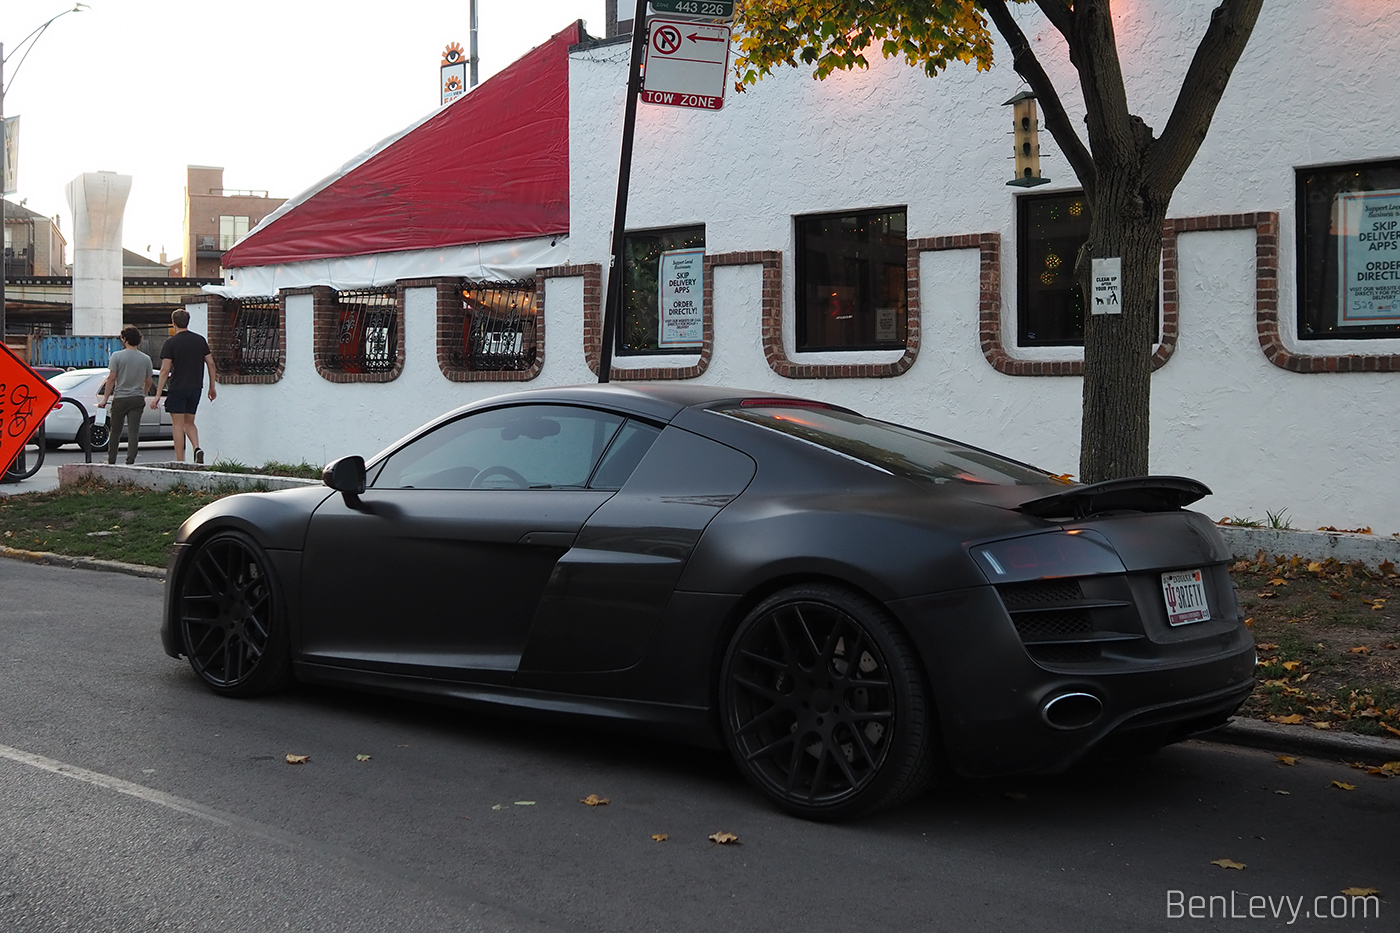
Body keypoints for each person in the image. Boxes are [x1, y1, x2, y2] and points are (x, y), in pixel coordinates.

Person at [151, 308, 216, 463]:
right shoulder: (200, 340)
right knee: (190, 422)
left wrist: (158, 394)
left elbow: (165, 370)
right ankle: (196, 448)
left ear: (173, 323)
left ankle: (180, 460)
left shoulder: (170, 343)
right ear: (188, 321)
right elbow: (211, 363)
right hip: (195, 388)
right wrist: (212, 386)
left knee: (178, 425)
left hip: (178, 388)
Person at [97, 325, 152, 465]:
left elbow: (111, 379)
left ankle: (111, 460)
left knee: (115, 430)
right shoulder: (146, 359)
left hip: (120, 398)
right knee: (134, 431)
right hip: (137, 397)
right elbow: (149, 381)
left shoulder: (117, 356)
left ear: (125, 339)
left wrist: (105, 398)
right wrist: (143, 394)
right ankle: (130, 460)